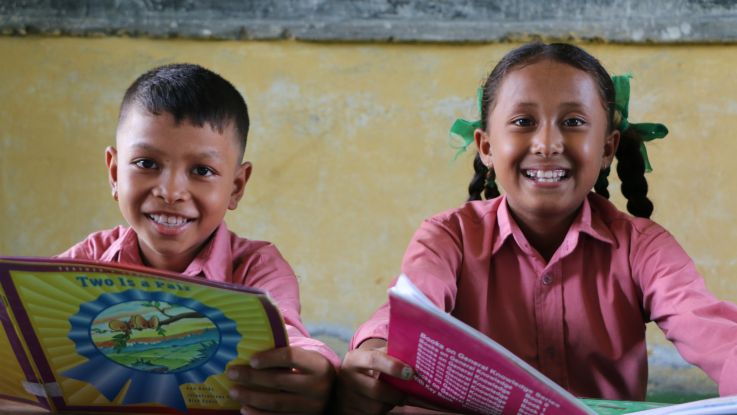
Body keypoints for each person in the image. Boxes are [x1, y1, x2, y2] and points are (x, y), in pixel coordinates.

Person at [336, 42, 737, 413]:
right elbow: (406, 313)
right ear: (487, 147)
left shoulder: (642, 246)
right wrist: (377, 350)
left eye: (574, 121)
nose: (548, 143)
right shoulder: (448, 237)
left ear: (607, 149)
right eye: (524, 121)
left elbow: (710, 329)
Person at [58, 63, 339, 414]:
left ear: (236, 187)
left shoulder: (255, 267)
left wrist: (321, 370)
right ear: (115, 173)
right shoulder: (85, 260)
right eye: (146, 163)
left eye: (202, 171)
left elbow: (289, 338)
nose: (171, 191)